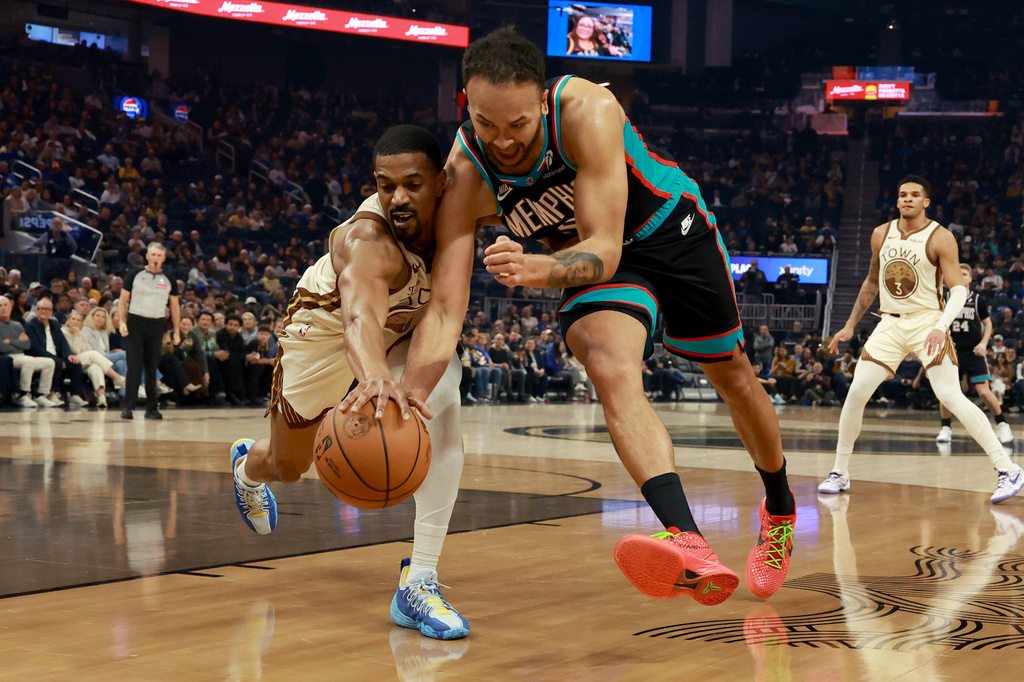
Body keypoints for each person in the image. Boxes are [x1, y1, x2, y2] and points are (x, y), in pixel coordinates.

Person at [378, 28, 796, 605]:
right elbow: (447, 309)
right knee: (607, 362)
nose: (502, 141)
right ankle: (688, 540)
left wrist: (535, 269)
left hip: (667, 232)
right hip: (591, 265)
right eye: (485, 123)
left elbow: (605, 247)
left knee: (734, 379)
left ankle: (779, 507)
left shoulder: (587, 108)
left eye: (518, 124)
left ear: (542, 103)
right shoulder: (466, 173)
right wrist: (409, 396)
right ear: (466, 107)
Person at [231, 126, 469, 640]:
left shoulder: (459, 206)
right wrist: (376, 378)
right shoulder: (366, 241)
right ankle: (249, 467)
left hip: (401, 333)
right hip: (323, 337)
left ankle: (420, 580)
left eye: (412, 184)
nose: (398, 198)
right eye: (386, 186)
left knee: (441, 399)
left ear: (440, 183)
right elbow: (360, 318)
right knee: (289, 466)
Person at [819, 176, 1024, 503]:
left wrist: (941, 326)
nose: (907, 199)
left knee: (950, 395)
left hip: (928, 320)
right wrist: (849, 325)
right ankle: (839, 472)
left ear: (926, 202)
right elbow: (872, 282)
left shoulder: (940, 237)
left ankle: (1007, 468)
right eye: (903, 194)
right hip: (890, 323)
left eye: (915, 195)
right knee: (856, 392)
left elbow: (959, 290)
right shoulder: (880, 234)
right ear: (897, 200)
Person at [936, 263, 1013, 445]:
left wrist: (984, 343)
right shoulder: (944, 298)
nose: (961, 276)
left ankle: (1003, 425)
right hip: (951, 351)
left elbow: (988, 323)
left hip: (973, 351)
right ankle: (946, 428)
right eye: (958, 273)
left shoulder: (978, 300)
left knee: (983, 391)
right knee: (946, 392)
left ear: (970, 278)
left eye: (964, 274)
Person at [118, 242, 180, 419]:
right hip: (136, 322)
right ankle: (128, 407)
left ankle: (152, 408)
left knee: (152, 367)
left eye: (159, 255)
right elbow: (122, 301)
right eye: (152, 255)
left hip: (157, 324)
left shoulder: (169, 278)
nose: (155, 258)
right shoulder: (135, 275)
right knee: (134, 366)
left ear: (163, 258)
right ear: (147, 256)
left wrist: (176, 331)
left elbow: (174, 306)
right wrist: (122, 322)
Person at [0, 294, 57, 408]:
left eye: (5, 305)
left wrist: (10, 341)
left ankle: (41, 395)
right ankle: (23, 394)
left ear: (11, 307)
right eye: (0, 306)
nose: (3, 308)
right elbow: (2, 347)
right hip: (8, 357)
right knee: (29, 361)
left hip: (22, 355)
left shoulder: (17, 325)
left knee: (49, 362)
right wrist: (18, 342)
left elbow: (27, 345)